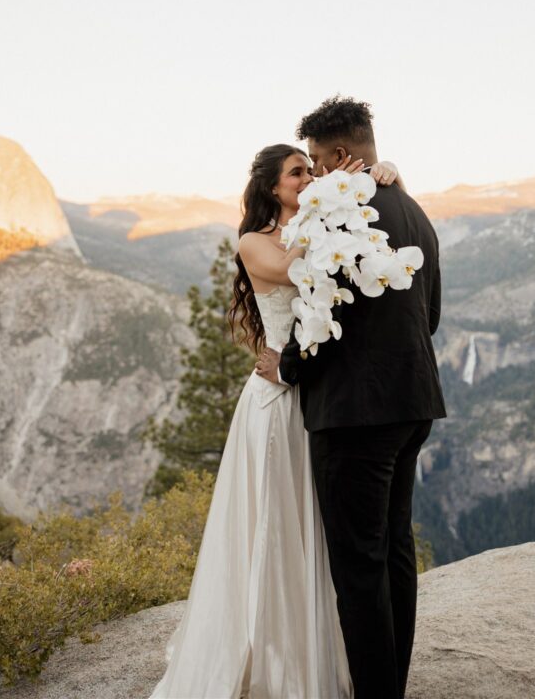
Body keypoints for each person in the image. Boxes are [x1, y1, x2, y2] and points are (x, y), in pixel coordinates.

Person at [147, 142, 401, 699]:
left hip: (318, 394)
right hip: (275, 402)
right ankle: (272, 654)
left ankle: (318, 650)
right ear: (271, 187)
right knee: (275, 522)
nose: (308, 178)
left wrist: (381, 177)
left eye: (311, 170)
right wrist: (335, 199)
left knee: (317, 524)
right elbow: (295, 269)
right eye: (296, 173)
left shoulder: (318, 220)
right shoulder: (254, 242)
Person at [256, 96, 447, 699]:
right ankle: (392, 683)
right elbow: (430, 316)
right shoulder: (414, 212)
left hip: (354, 415)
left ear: (340, 155)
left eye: (316, 162)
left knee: (359, 566)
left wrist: (286, 366)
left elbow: (318, 313)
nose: (314, 176)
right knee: (394, 550)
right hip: (413, 403)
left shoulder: (334, 216)